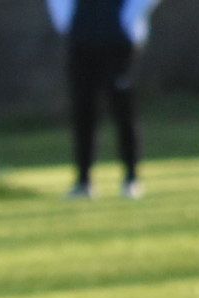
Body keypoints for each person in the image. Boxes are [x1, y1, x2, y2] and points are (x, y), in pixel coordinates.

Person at [47, 0, 163, 199]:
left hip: (118, 44)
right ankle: (83, 181)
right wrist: (71, 24)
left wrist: (127, 21)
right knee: (84, 112)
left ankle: (131, 178)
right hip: (82, 42)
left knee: (123, 112)